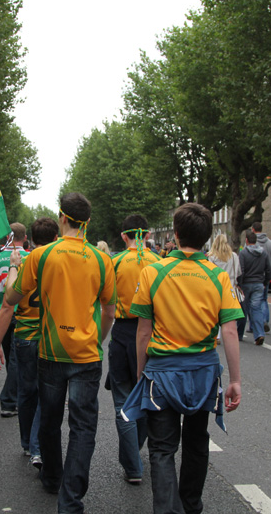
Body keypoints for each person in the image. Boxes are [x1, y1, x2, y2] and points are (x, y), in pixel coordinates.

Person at [122, 202, 242, 514]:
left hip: (161, 373)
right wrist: (236, 380)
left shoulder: (153, 272)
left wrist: (140, 374)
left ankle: (167, 509)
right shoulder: (217, 277)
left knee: (162, 448)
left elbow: (143, 331)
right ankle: (191, 505)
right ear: (206, 237)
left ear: (175, 235)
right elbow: (229, 331)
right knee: (196, 442)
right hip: (202, 373)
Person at [5, 193, 116, 514]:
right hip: (87, 356)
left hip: (51, 352)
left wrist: (14, 269)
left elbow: (13, 297)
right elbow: (109, 310)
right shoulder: (101, 259)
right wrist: (99, 341)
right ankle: (71, 500)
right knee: (83, 428)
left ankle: (52, 477)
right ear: (88, 222)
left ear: (62, 217)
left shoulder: (41, 256)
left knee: (50, 421)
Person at [0, 217, 59, 469]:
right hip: (49, 335)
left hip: (25, 335)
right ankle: (37, 446)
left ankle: (28, 443)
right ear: (55, 239)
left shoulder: (24, 262)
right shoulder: (57, 261)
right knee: (46, 393)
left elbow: (8, 302)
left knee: (26, 392)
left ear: (30, 238)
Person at [108, 214, 161, 485]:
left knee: (123, 400)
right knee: (147, 397)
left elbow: (104, 300)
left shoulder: (115, 262)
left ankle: (132, 465)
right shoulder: (160, 263)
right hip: (154, 334)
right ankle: (134, 453)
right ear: (148, 235)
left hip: (124, 332)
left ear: (124, 236)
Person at [0, 224, 28, 417]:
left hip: (4, 312)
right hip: (24, 312)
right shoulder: (29, 257)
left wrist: (0, 301)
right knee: (17, 360)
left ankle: (15, 396)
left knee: (12, 357)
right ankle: (10, 400)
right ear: (24, 237)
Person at [207, 234, 244, 342]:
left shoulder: (211, 257)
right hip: (231, 287)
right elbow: (238, 272)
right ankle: (230, 334)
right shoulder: (233, 256)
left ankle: (217, 335)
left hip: (216, 287)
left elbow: (210, 273)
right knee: (230, 314)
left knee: (216, 312)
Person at [238, 230, 271, 346]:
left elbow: (241, 270)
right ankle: (259, 334)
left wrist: (240, 284)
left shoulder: (243, 254)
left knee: (243, 309)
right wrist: (265, 282)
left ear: (246, 240)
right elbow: (268, 269)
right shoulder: (263, 254)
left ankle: (239, 334)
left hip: (246, 284)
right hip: (258, 284)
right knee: (256, 309)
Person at [251, 221, 271, 332]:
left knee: (253, 303)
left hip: (254, 276)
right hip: (265, 275)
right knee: (263, 299)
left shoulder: (251, 242)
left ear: (253, 229)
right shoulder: (269, 243)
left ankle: (255, 325)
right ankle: (264, 320)